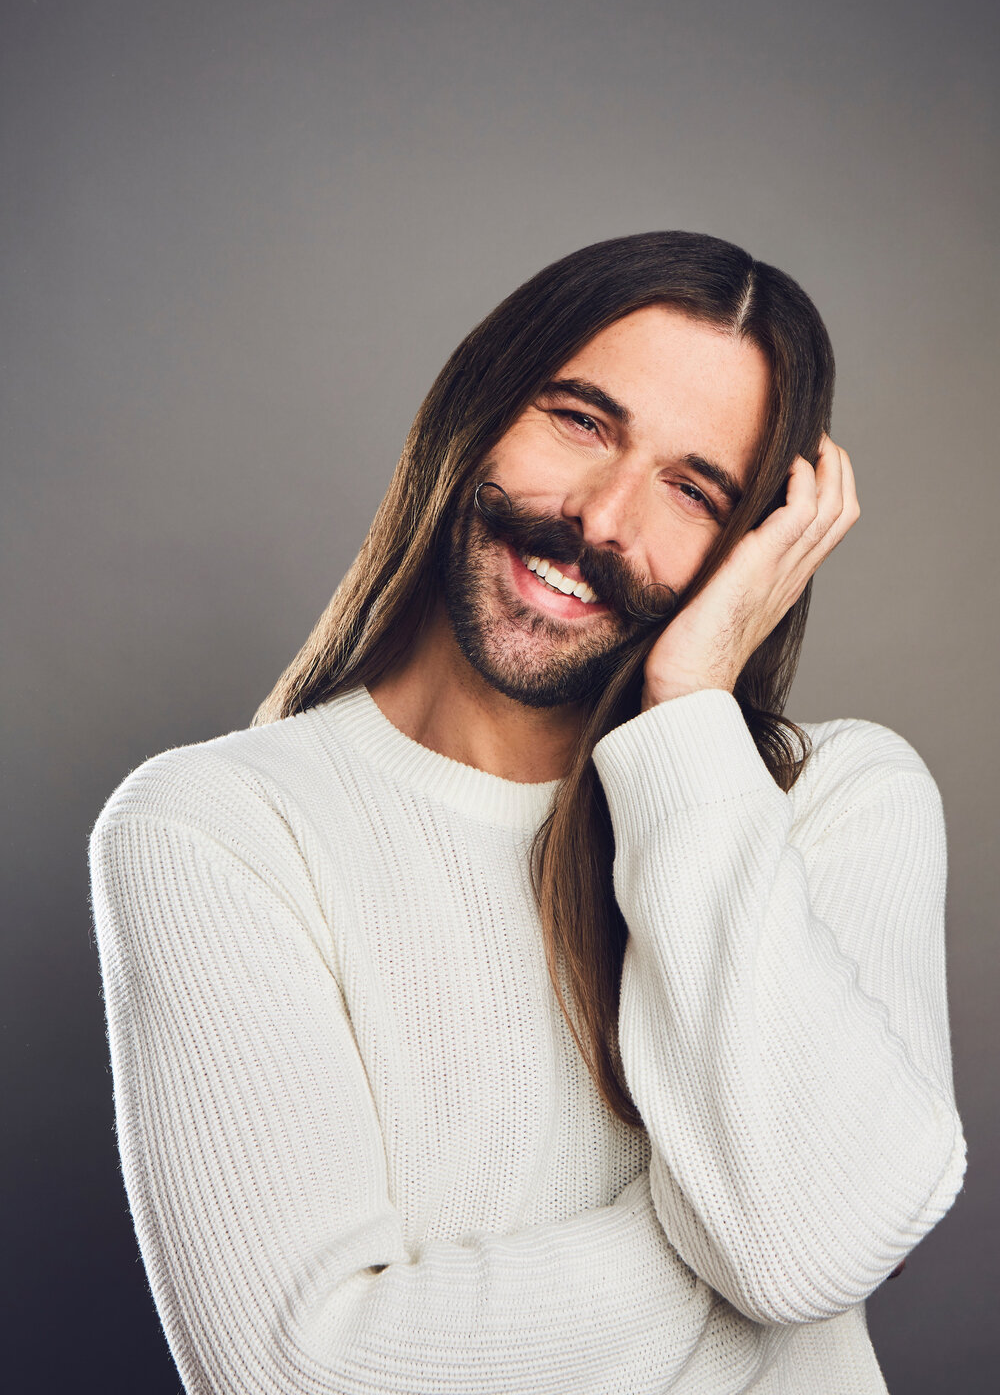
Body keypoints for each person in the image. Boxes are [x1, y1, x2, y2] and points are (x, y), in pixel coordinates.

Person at [89, 231, 966, 1394]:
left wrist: (689, 716)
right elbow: (301, 1373)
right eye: (582, 420)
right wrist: (765, 1252)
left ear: (754, 547)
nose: (603, 518)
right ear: (477, 409)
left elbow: (808, 1236)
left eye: (694, 488)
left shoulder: (830, 804)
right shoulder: (217, 828)